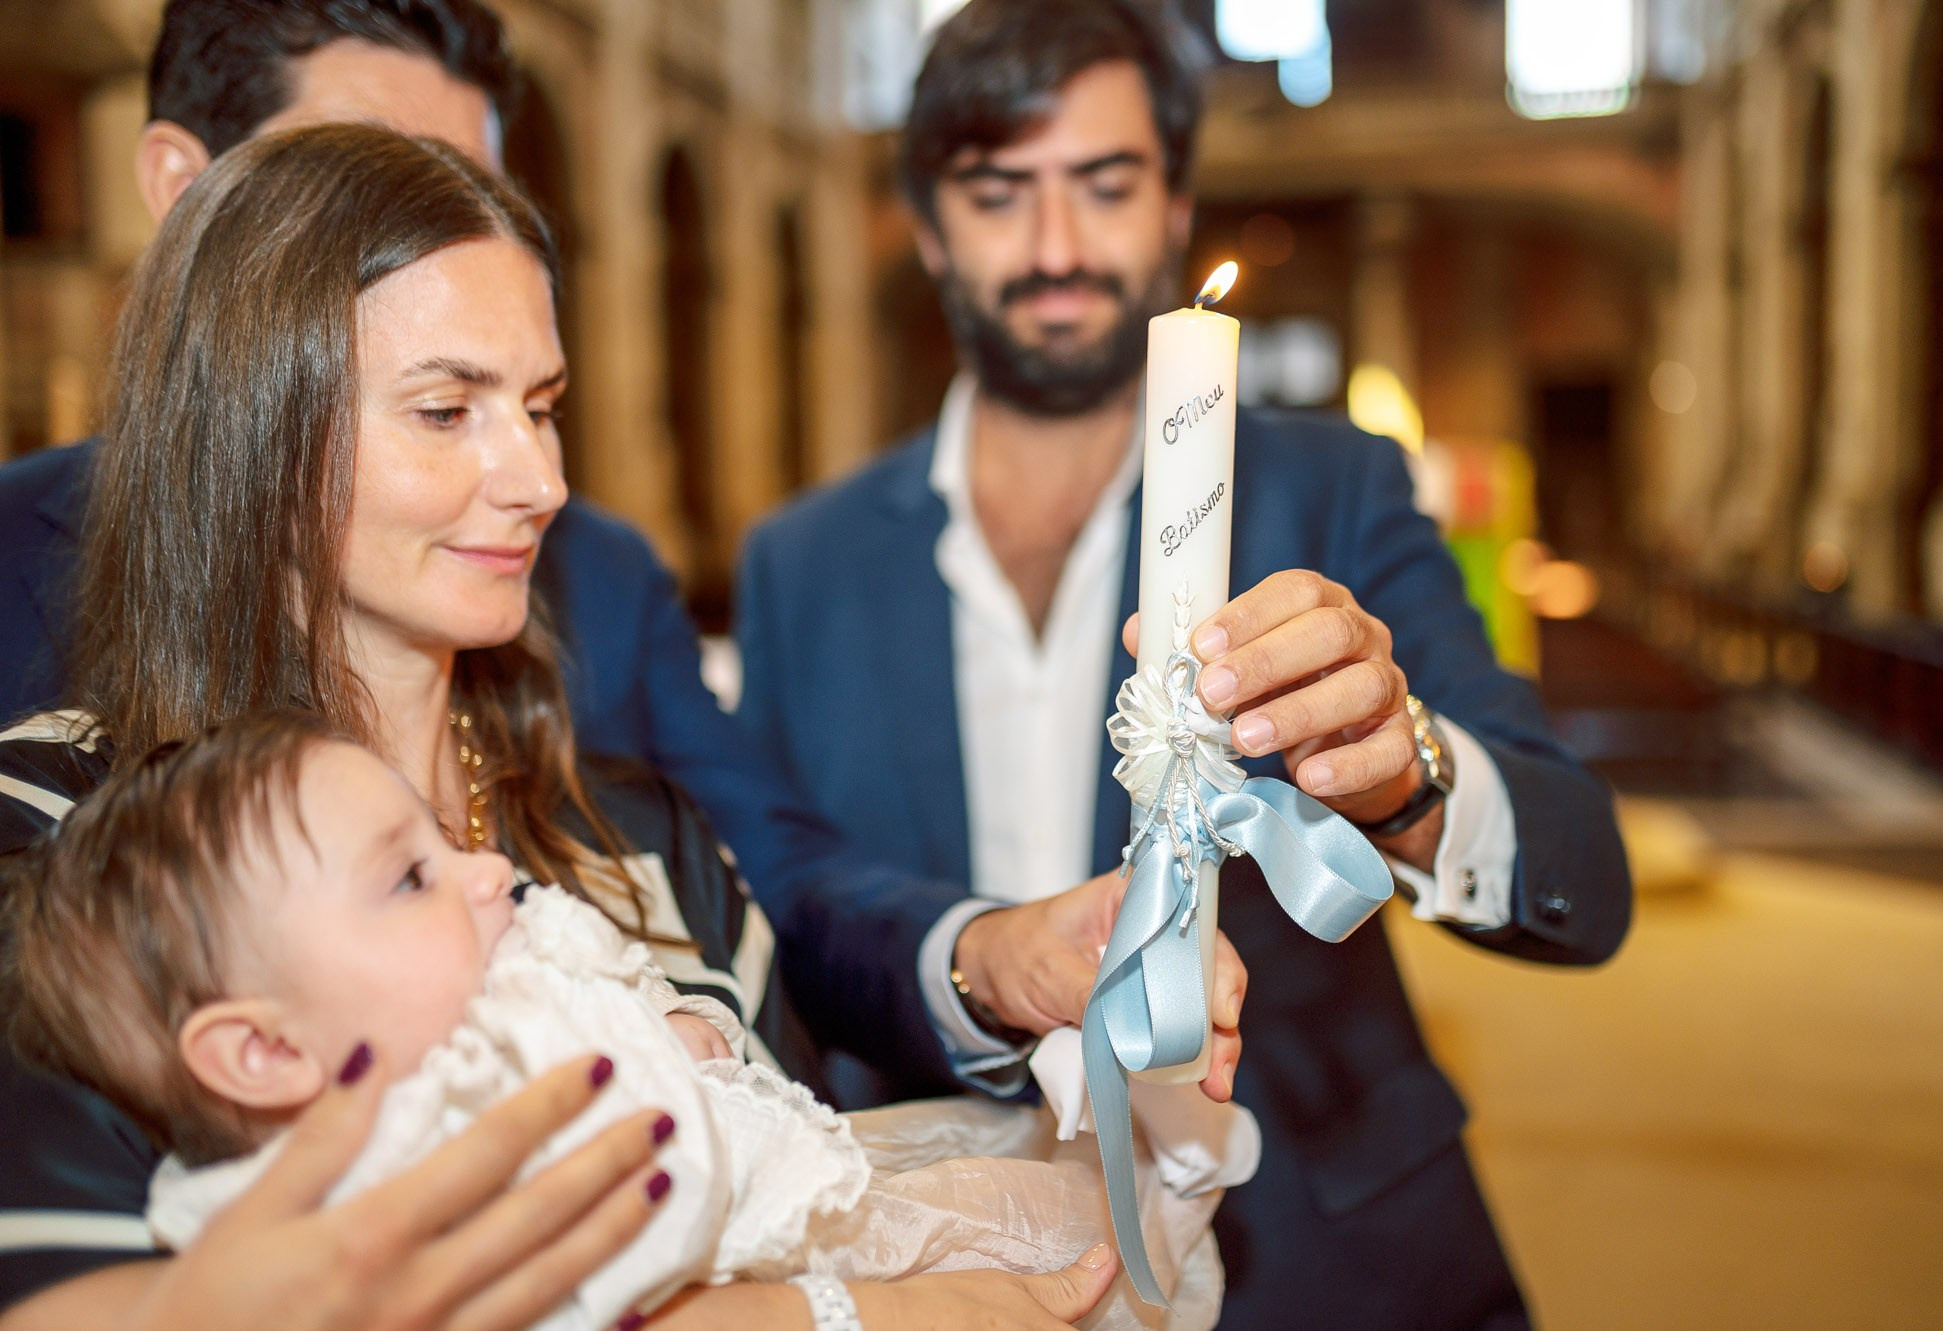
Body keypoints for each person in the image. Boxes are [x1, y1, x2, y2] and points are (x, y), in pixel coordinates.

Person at [0, 1, 1242, 1322]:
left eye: (542, 407)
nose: (540, 480)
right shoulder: (81, 824)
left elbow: (797, 1169)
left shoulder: (639, 827)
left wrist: (995, 960)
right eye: (445, 410)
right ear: (256, 416)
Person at [733, 2, 1634, 1328]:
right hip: (947, 1250)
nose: (1055, 249)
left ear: (1172, 206)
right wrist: (977, 962)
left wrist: (1407, 772)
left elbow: (1584, 873)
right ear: (928, 226)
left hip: (1315, 1242)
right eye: (998, 194)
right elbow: (794, 908)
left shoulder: (1330, 488)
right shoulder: (800, 560)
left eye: (1103, 186)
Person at [7, 711, 1231, 1330]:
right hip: (794, 1239)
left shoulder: (578, 852)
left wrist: (676, 1033)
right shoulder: (356, 1167)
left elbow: (751, 906)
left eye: (537, 407)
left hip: (822, 1189)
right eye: (445, 409)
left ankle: (1158, 1177)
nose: (486, 873)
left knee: (1048, 1222)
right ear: (262, 1049)